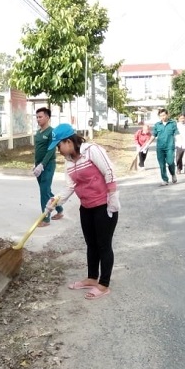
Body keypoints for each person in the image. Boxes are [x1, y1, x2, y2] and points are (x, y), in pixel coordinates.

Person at [45, 124, 119, 300]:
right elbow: (70, 186)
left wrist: (113, 201)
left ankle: (104, 285)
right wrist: (55, 202)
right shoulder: (69, 161)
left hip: (104, 205)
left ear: (68, 141)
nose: (58, 150)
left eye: (58, 145)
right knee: (91, 244)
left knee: (103, 245)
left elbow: (110, 173)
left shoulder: (92, 151)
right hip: (86, 207)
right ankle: (92, 278)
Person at [32, 107, 63, 227]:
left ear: (47, 117)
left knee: (44, 191)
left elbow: (50, 150)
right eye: (37, 117)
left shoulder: (52, 132)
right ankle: (59, 209)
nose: (38, 119)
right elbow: (37, 150)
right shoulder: (38, 132)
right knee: (47, 191)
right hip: (38, 165)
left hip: (48, 165)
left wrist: (42, 165)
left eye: (40, 117)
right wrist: (35, 164)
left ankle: (45, 219)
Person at [141, 108, 178, 186]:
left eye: (164, 115)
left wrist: (181, 142)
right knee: (162, 164)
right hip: (160, 148)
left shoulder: (172, 123)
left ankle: (173, 174)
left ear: (167, 115)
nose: (163, 117)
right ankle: (165, 180)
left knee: (170, 162)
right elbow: (153, 135)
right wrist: (147, 144)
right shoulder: (157, 125)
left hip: (169, 147)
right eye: (161, 116)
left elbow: (177, 134)